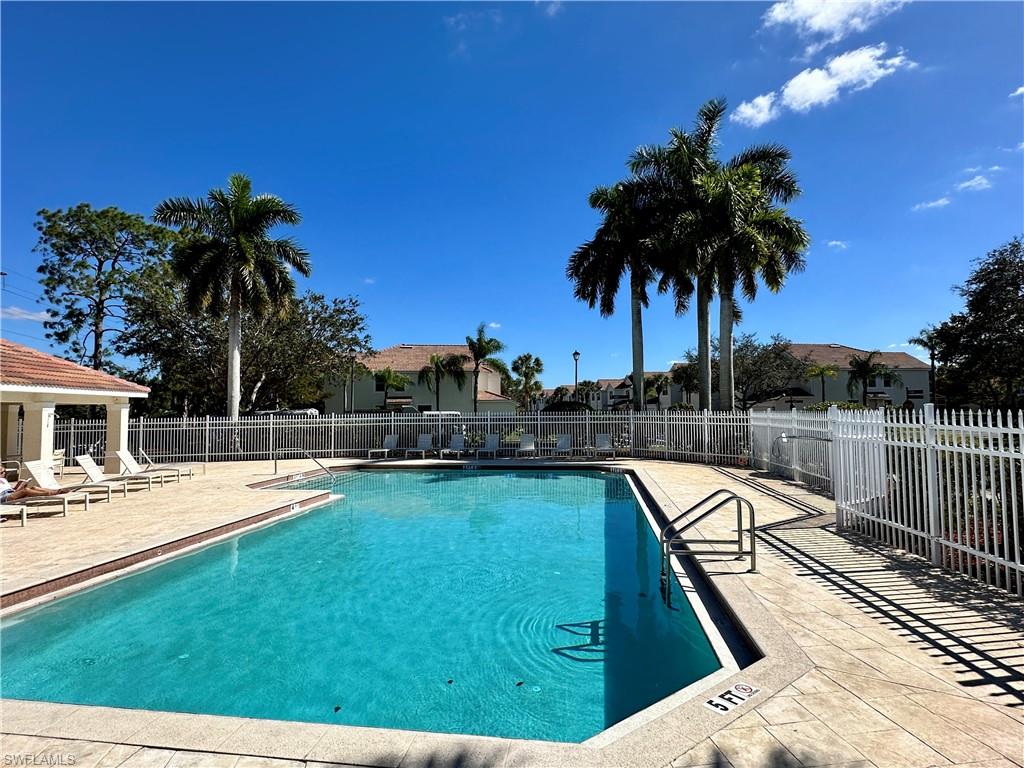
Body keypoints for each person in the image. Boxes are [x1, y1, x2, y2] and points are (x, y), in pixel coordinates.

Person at [0, 476, 70, 504]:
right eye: (1, 472)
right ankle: (49, 494)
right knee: (26, 490)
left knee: (34, 488)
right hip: (3, 497)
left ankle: (56, 491)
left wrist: (21, 485)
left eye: (4, 472)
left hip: (11, 493)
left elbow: (13, 490)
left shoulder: (3, 480)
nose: (3, 474)